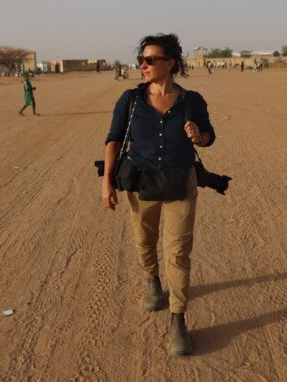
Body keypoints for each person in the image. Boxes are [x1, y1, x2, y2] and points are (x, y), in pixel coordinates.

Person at [102, 33, 216, 356]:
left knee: (177, 252)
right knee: (144, 240)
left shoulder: (192, 100)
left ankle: (178, 319)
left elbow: (210, 136)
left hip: (181, 183)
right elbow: (113, 140)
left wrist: (198, 135)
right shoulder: (131, 99)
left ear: (170, 63)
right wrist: (106, 182)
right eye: (142, 59)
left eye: (151, 59)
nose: (144, 65)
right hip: (142, 184)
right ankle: (152, 279)